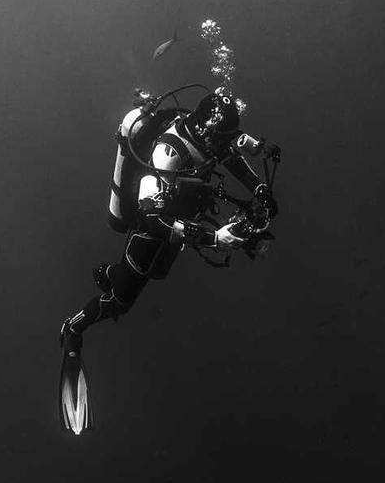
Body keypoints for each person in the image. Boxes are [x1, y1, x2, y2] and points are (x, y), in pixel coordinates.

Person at [59, 84, 280, 356]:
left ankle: (110, 273)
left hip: (179, 221)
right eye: (222, 139)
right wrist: (214, 238)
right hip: (150, 231)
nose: (225, 146)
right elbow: (153, 220)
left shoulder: (209, 139)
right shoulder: (168, 153)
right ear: (206, 131)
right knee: (120, 301)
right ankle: (72, 329)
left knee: (158, 272)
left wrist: (259, 189)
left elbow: (232, 160)